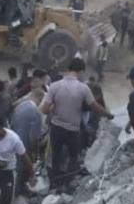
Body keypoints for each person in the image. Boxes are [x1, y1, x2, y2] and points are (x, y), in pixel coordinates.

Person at [40, 57, 113, 193]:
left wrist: (55, 108)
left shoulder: (55, 86)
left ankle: (56, 185)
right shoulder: (83, 88)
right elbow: (94, 106)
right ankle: (67, 184)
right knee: (74, 157)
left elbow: (44, 110)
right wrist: (108, 115)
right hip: (73, 130)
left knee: (56, 156)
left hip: (56, 128)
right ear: (81, 71)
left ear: (68, 69)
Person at [11, 88, 44, 164]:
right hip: (25, 149)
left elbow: (12, 124)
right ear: (40, 99)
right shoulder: (36, 113)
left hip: (14, 145)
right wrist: (34, 153)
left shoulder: (19, 106)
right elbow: (34, 137)